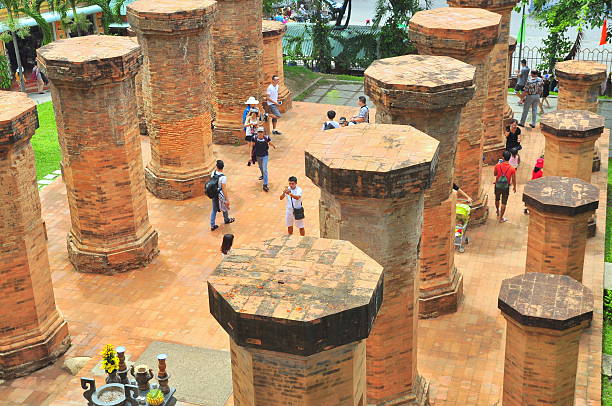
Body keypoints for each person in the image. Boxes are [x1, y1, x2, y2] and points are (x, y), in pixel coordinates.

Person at [210, 160, 235, 231]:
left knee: (214, 209)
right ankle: (226, 219)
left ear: (217, 166)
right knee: (225, 207)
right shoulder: (223, 177)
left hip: (214, 193)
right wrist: (227, 199)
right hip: (220, 194)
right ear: (223, 167)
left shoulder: (213, 173)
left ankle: (212, 225)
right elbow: (224, 189)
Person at [493, 150, 517, 223]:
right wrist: (514, 187)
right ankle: (501, 218)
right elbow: (514, 180)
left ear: (503, 157)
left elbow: (495, 174)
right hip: (505, 187)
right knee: (504, 202)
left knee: (497, 199)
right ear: (509, 158)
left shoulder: (498, 166)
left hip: (497, 185)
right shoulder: (512, 169)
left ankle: (497, 210)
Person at [253, 127, 276, 192]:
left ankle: (265, 184)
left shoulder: (266, 138)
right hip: (258, 156)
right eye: (259, 132)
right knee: (261, 167)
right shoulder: (254, 138)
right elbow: (252, 147)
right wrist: (250, 156)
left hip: (265, 155)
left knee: (265, 169)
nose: (260, 133)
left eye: (261, 132)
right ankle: (263, 175)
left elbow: (269, 142)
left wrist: (273, 146)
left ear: (263, 133)